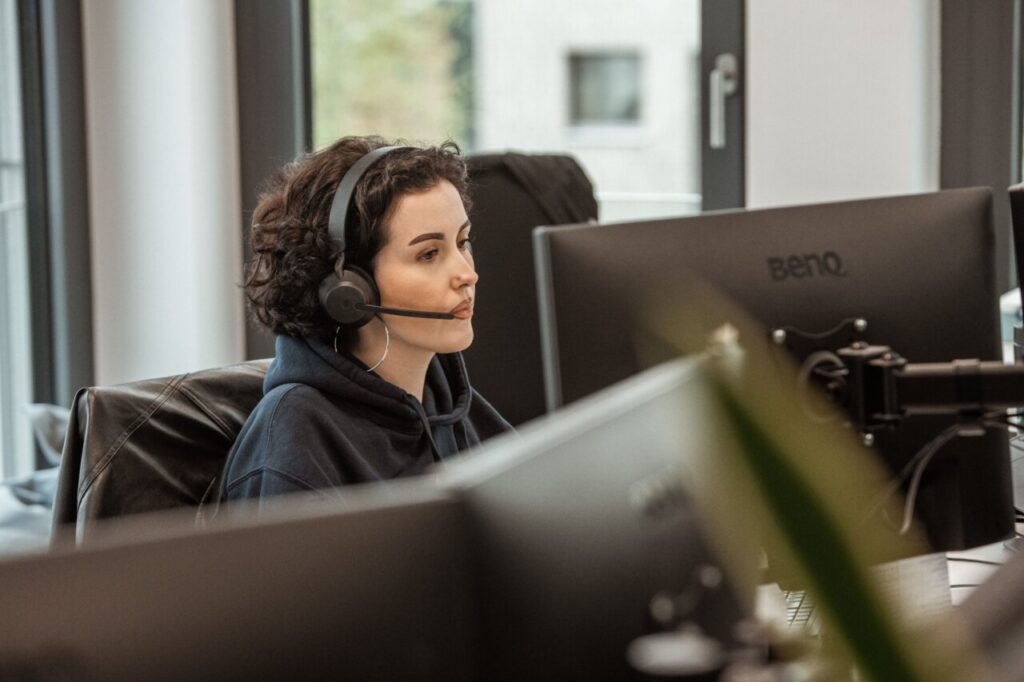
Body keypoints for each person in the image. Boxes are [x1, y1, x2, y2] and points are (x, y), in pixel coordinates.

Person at [221, 136, 512, 502]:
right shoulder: (296, 435)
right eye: (428, 254)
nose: (467, 274)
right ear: (351, 290)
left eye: (462, 241)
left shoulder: (448, 399)